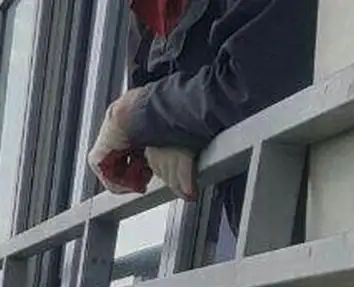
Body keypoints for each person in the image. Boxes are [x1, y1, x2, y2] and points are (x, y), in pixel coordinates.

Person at [88, 0, 317, 206]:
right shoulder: (149, 14)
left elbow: (253, 85)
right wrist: (157, 131)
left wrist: (133, 115)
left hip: (320, 198)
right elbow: (160, 99)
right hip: (267, 215)